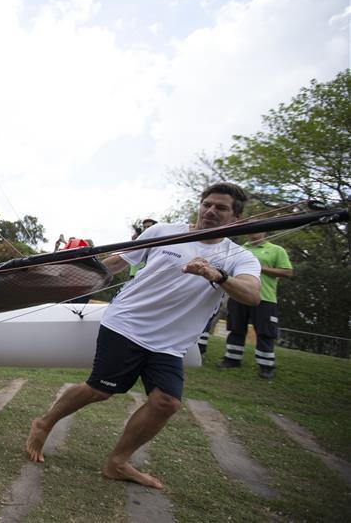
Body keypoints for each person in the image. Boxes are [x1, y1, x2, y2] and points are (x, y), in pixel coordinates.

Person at [25, 182, 261, 489]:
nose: (211, 211)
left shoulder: (239, 257)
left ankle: (117, 463)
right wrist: (66, 276)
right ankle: (44, 423)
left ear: (236, 218)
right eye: (207, 204)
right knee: (100, 390)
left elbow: (252, 295)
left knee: (166, 402)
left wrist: (217, 275)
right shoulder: (164, 232)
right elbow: (117, 262)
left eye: (221, 208)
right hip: (127, 324)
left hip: (170, 343)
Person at [218, 231, 292, 379]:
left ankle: (266, 366)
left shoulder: (276, 250)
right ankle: (232, 359)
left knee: (265, 332)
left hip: (265, 298)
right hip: (238, 295)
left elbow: (288, 272)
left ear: (264, 231)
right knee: (236, 328)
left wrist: (259, 267)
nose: (254, 232)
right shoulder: (238, 249)